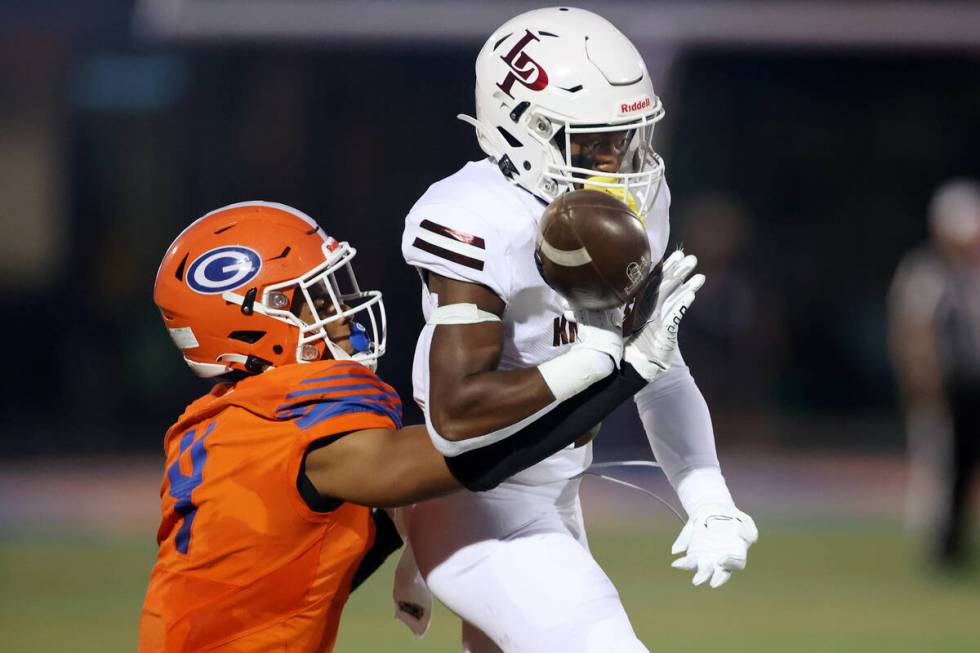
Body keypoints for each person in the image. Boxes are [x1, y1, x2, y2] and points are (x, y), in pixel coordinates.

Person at [138, 200, 693, 652]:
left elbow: (279, 563)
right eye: (315, 300)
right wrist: (624, 371)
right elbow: (467, 459)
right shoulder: (289, 425)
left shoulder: (227, 425)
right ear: (250, 326)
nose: (343, 310)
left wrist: (412, 542)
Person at [397, 7, 758, 652]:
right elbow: (456, 415)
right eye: (592, 142)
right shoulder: (477, 218)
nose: (618, 162)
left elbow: (659, 368)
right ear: (521, 133)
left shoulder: (633, 203)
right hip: (472, 493)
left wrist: (709, 498)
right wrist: (595, 361)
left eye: (627, 139)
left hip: (557, 483)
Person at [889, 179, 980, 569]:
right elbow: (913, 333)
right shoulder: (926, 274)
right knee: (944, 465)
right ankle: (945, 546)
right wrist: (923, 382)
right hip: (948, 386)